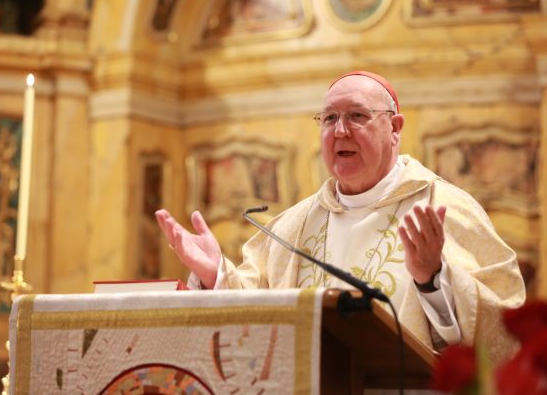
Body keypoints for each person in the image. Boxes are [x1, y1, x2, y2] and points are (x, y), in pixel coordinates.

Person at [155, 71, 525, 366]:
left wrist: (434, 280)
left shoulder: (442, 207)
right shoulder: (295, 225)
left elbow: (503, 328)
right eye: (329, 118)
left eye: (357, 116)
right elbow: (257, 313)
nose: (341, 130)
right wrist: (215, 275)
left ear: (395, 128)